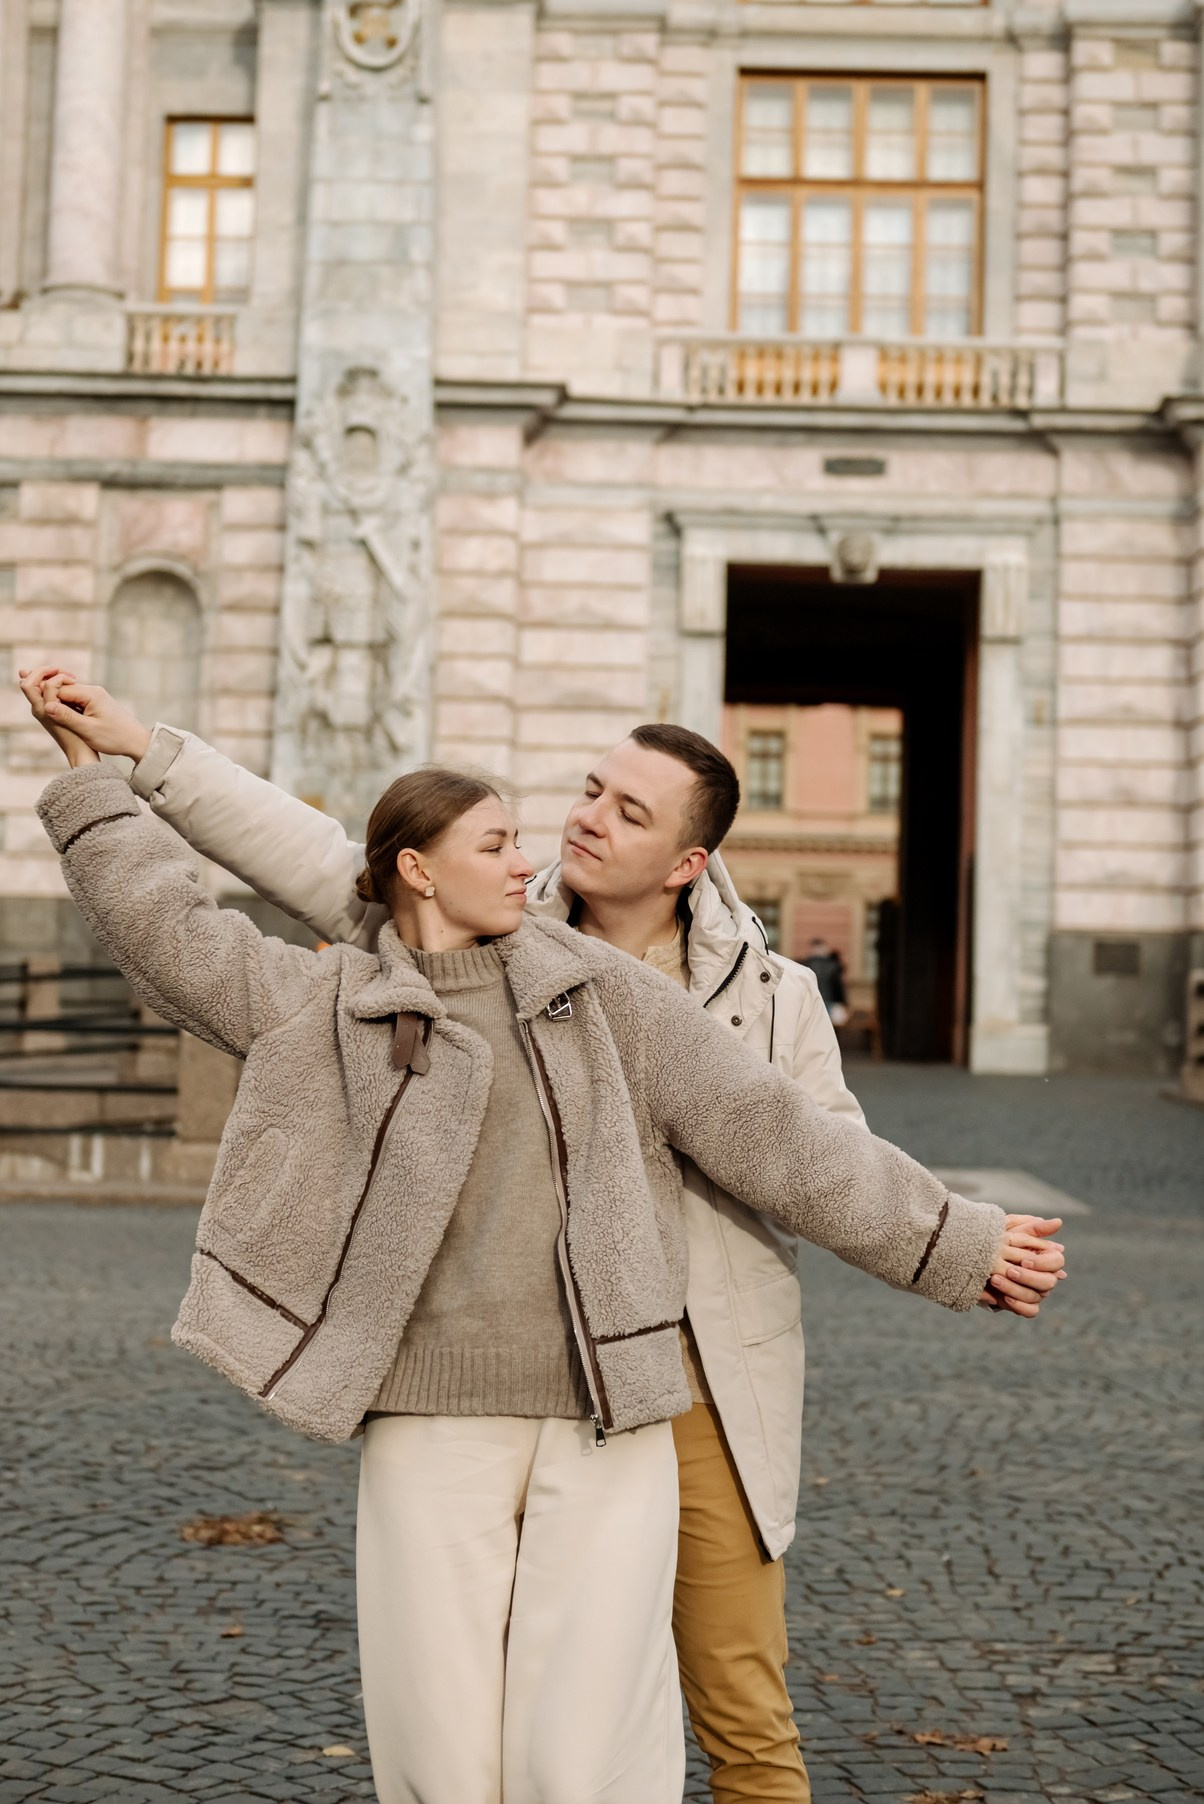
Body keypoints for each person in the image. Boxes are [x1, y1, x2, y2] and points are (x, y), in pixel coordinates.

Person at [23, 670, 1066, 1804]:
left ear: (686, 861)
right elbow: (197, 916)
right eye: (510, 835)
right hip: (431, 1411)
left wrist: (956, 1243)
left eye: (616, 813)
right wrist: (108, 771)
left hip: (631, 1395)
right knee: (441, 1740)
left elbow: (790, 1143)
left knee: (628, 1737)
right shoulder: (343, 999)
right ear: (418, 871)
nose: (550, 847)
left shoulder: (640, 994)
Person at [801, 937, 848, 1027]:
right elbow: (838, 988)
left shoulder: (804, 965)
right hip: (830, 1005)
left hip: (809, 1006)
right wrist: (844, 1003)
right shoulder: (833, 966)